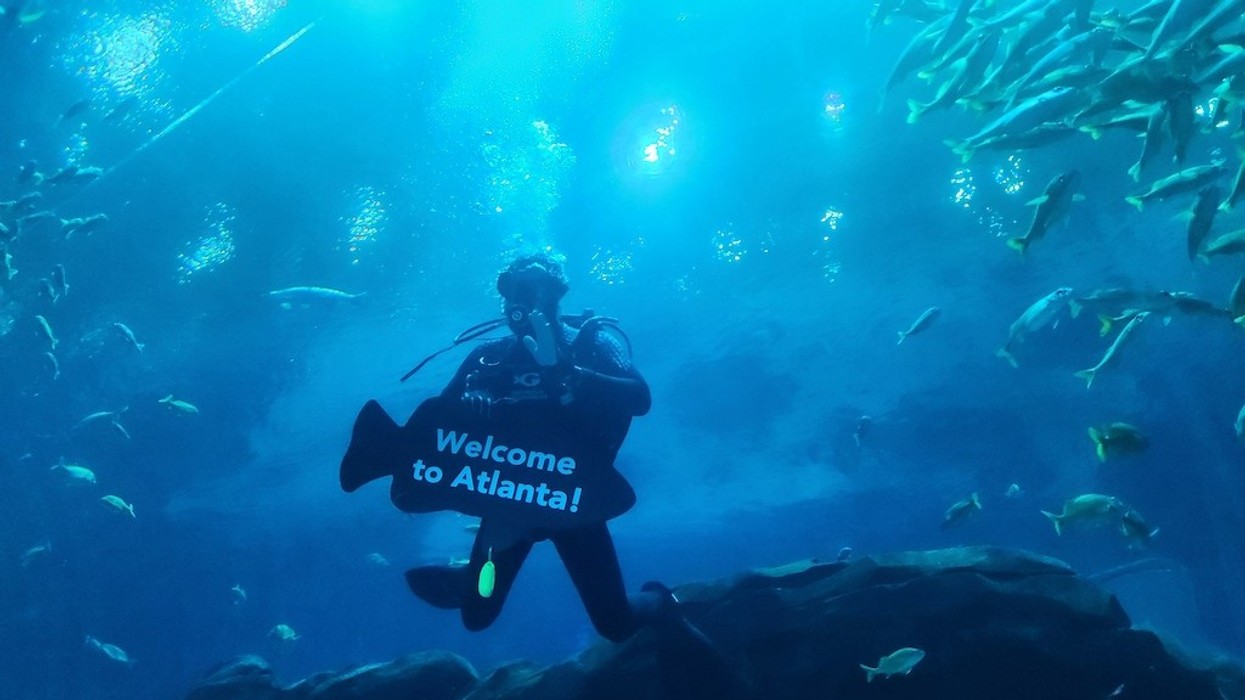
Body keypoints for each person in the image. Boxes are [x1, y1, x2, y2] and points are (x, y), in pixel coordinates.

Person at [403, 253, 677, 642]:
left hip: (574, 500)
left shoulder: (590, 343)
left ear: (555, 294)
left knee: (614, 623)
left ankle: (661, 602)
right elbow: (439, 426)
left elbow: (639, 397)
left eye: (529, 288)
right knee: (477, 615)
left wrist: (575, 375)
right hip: (511, 499)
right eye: (509, 290)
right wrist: (468, 404)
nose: (516, 299)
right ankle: (472, 572)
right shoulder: (489, 357)